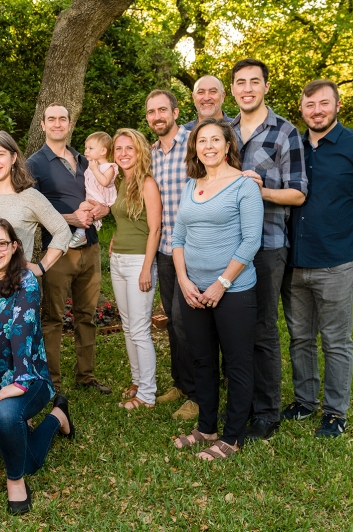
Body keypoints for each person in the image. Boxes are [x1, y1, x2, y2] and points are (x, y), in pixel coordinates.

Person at [281, 79, 353, 438]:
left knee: (335, 340)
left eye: (323, 104)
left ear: (337, 106)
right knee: (299, 337)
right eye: (310, 105)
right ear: (301, 110)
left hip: (337, 262)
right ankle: (304, 400)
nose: (317, 110)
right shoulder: (295, 147)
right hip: (293, 263)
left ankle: (335, 412)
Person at [0, 218, 74, 515]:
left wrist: (20, 381)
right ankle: (57, 416)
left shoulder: (26, 281)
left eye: (2, 243)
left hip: (31, 377)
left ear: (14, 246)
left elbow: (22, 332)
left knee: (5, 415)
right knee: (27, 456)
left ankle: (15, 481)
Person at [172, 118, 264, 460]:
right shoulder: (191, 184)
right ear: (195, 147)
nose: (208, 146)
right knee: (203, 360)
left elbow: (251, 241)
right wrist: (183, 280)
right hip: (193, 289)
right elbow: (178, 237)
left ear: (228, 146)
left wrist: (221, 284)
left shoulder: (244, 185)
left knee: (237, 363)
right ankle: (206, 427)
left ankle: (232, 436)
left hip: (234, 290)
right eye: (202, 141)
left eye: (215, 140)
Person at [229, 58, 308, 441]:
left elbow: (297, 192)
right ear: (233, 90)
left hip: (267, 244)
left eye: (254, 82)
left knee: (261, 328)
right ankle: (240, 402)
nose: (247, 88)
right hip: (226, 247)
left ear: (265, 87)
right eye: (240, 82)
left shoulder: (285, 132)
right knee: (232, 327)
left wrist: (258, 192)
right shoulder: (223, 131)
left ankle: (267, 411)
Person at [27, 103, 112, 394]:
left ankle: (85, 376)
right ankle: (53, 381)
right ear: (43, 125)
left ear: (69, 123)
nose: (57, 123)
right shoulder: (35, 163)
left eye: (62, 119)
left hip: (90, 247)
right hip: (59, 250)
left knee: (86, 315)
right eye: (51, 119)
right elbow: (31, 210)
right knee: (52, 317)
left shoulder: (84, 157)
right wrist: (69, 218)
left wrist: (102, 209)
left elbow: (100, 192)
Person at [145, 89, 198, 419]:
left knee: (187, 320)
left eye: (162, 110)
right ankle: (181, 382)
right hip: (165, 248)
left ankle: (198, 393)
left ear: (176, 112)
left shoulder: (196, 143)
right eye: (151, 112)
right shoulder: (151, 154)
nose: (157, 116)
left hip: (195, 248)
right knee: (173, 321)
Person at [0, 130, 71, 268]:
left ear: (13, 158)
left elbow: (62, 231)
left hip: (18, 283)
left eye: (0, 154)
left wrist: (41, 267)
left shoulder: (30, 197)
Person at [108, 129, 162, 409]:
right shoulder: (121, 182)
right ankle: (138, 381)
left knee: (140, 329)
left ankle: (148, 395)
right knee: (128, 327)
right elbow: (125, 218)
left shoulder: (147, 184)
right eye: (119, 149)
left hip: (139, 262)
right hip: (118, 261)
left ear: (140, 151)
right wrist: (116, 239)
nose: (124, 153)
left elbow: (154, 229)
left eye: (129, 148)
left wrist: (146, 268)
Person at [68, 131, 118, 249]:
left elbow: (105, 182)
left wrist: (95, 169)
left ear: (103, 151)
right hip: (93, 196)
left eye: (91, 148)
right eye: (86, 148)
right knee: (83, 206)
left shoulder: (109, 167)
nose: (86, 151)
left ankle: (80, 234)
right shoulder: (92, 165)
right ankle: (80, 233)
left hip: (101, 198)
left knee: (84, 207)